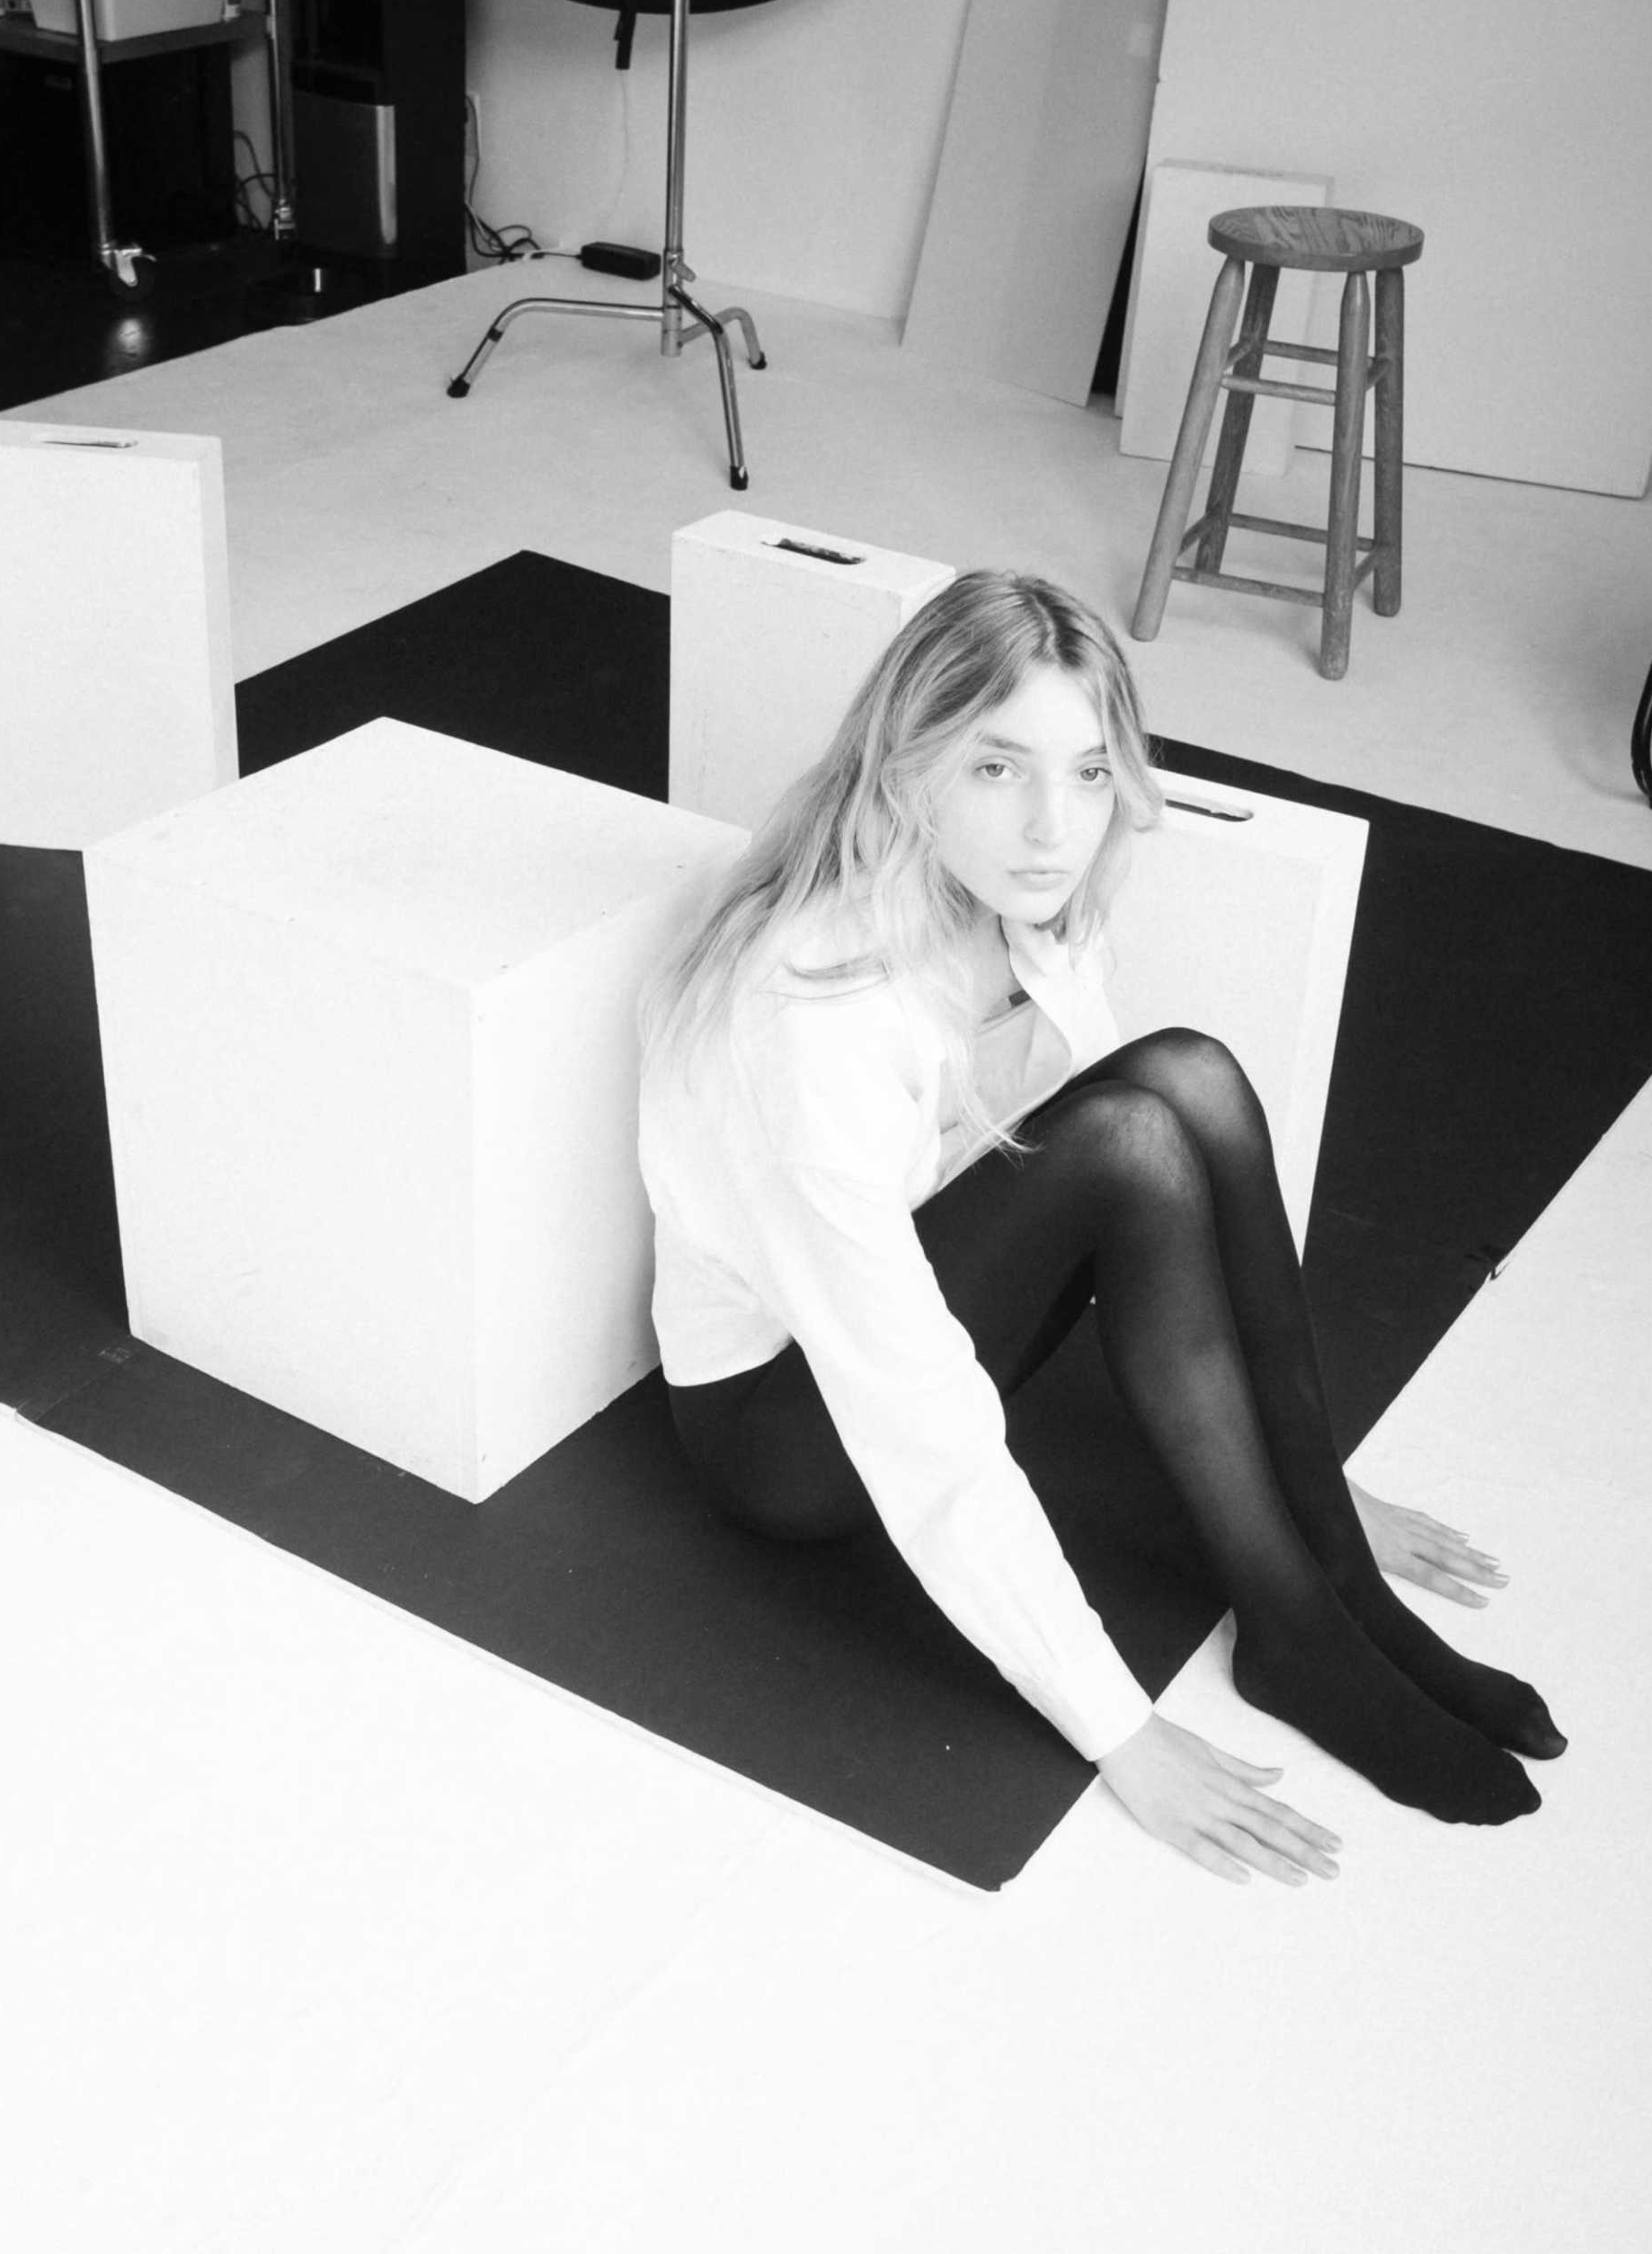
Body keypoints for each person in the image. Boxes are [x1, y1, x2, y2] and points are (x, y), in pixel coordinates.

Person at [635, 570, 1565, 1884]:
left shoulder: (1020, 904)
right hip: (790, 1430)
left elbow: (1151, 1169)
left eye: (1085, 774)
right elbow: (917, 1421)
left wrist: (1320, 1473)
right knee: (1138, 1130)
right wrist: (1117, 1728)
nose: (1050, 829)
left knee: (1189, 1082)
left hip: (917, 1294)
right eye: (998, 770)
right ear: (909, 768)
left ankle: (1325, 1575)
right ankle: (1302, 1621)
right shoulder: (814, 1015)